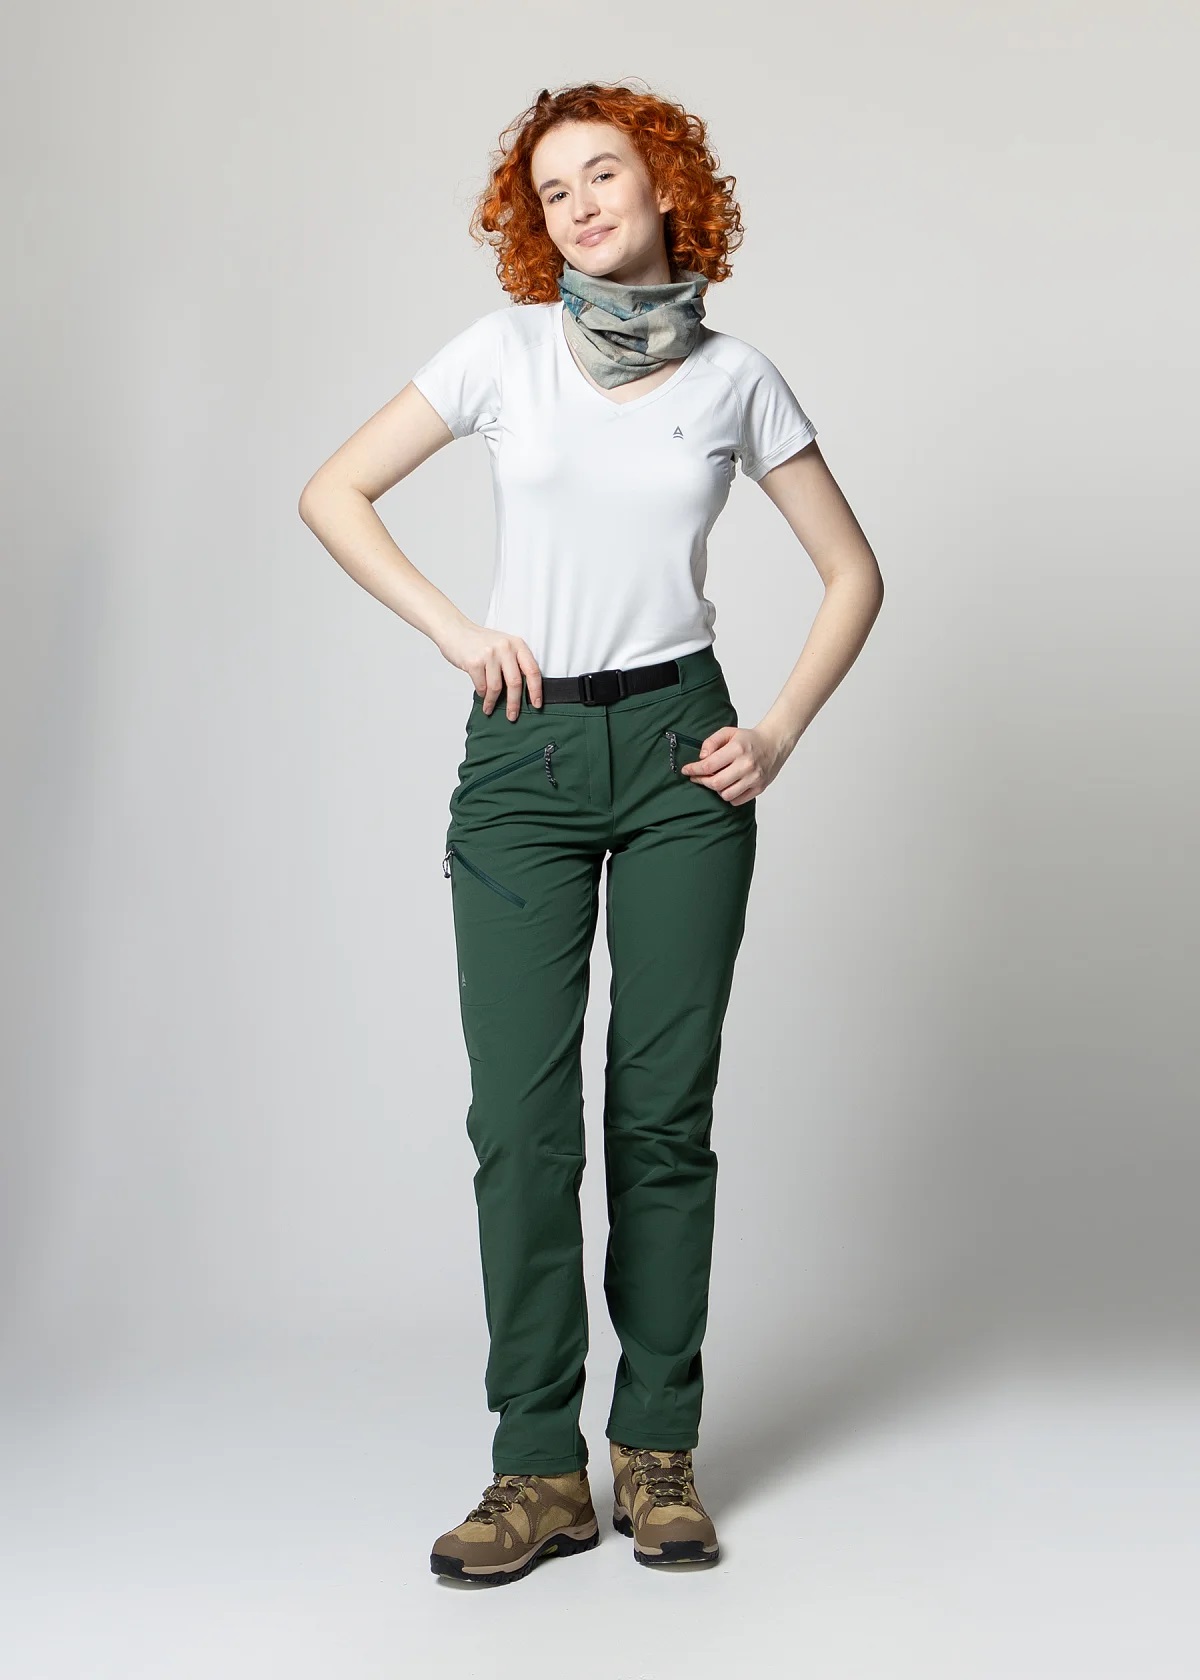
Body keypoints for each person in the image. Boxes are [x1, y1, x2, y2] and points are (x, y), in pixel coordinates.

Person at [299, 80, 884, 1586]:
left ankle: (657, 1449)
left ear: (666, 183)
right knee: (521, 1124)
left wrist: (775, 731)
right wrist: (454, 628)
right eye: (551, 191)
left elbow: (853, 574)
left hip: (683, 750)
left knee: (660, 1117)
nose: (578, 207)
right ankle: (538, 1470)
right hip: (526, 757)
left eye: (602, 174)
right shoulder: (502, 353)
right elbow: (334, 491)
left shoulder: (738, 378)